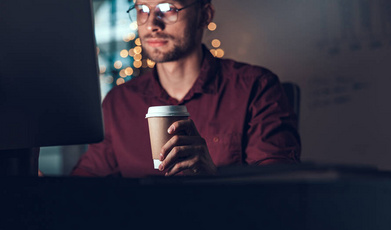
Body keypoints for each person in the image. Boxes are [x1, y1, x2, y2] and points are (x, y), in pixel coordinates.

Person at [71, 0, 301, 178]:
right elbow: (86, 182)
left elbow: (277, 193)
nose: (152, 24)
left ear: (205, 15)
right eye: (142, 9)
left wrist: (213, 177)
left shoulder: (255, 88)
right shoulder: (119, 103)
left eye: (168, 8)